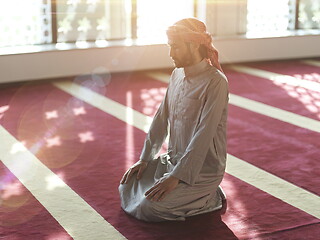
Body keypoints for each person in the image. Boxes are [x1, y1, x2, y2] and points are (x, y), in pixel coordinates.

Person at [119, 18, 229, 222]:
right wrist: (145, 159)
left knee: (149, 207)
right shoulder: (177, 74)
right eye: (170, 47)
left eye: (176, 47)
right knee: (127, 185)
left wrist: (176, 177)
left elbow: (204, 134)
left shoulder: (216, 82)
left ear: (194, 45)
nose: (171, 54)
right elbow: (161, 118)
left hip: (201, 169)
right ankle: (189, 194)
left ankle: (210, 198)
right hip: (173, 160)